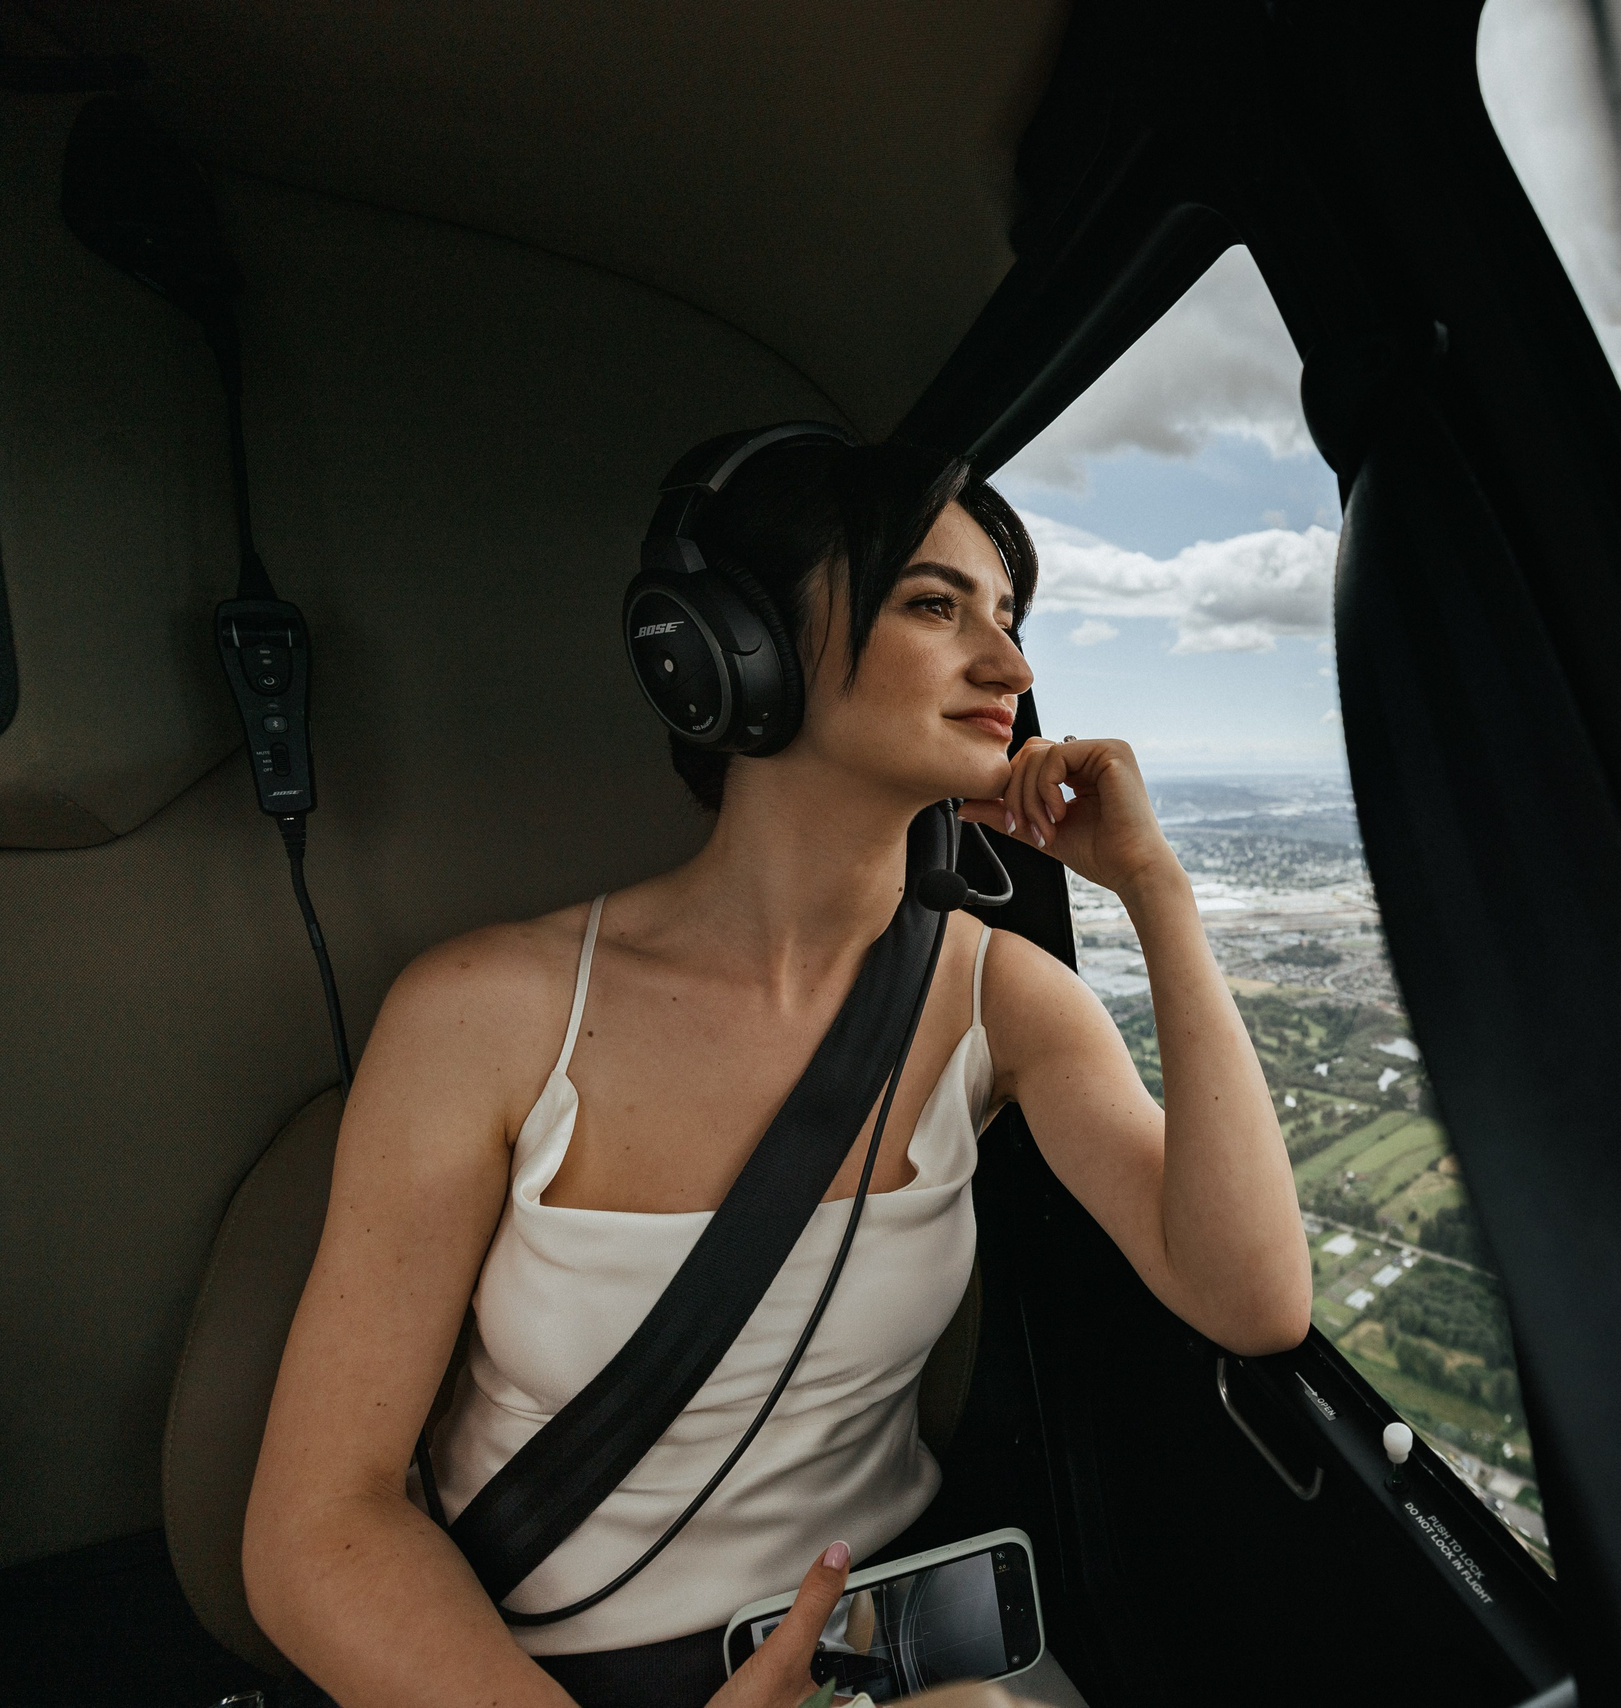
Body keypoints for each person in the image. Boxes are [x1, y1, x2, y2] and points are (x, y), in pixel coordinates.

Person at [242, 439, 1314, 1708]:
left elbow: (1251, 1300)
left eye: (1011, 620)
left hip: (886, 1659)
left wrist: (1156, 891)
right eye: (934, 603)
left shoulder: (999, 995)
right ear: (728, 645)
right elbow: (319, 1525)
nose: (1013, 670)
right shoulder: (486, 1015)